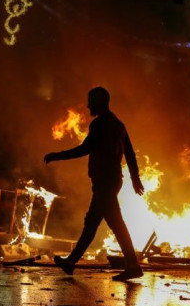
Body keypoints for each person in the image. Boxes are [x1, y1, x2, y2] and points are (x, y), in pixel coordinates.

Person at [44, 86, 145, 282]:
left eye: (91, 101)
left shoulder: (99, 125)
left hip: (105, 182)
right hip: (113, 180)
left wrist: (57, 156)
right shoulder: (118, 124)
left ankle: (130, 265)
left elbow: (85, 149)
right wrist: (134, 179)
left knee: (104, 224)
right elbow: (130, 154)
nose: (88, 104)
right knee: (102, 224)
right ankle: (74, 262)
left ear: (99, 102)